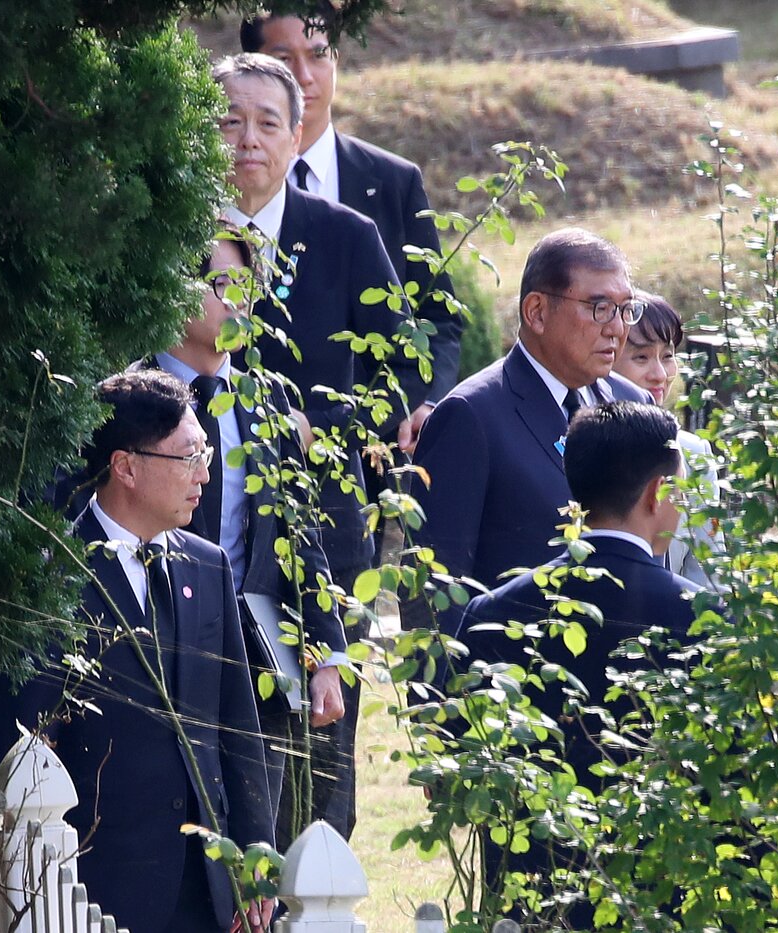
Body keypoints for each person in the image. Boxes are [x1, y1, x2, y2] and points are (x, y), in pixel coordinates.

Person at [213, 52, 414, 838]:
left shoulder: (344, 235)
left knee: (318, 722)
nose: (248, 139)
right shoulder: (175, 239)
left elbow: (399, 368)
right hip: (198, 508)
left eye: (268, 122)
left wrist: (324, 434)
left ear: (297, 137)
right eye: (230, 120)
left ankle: (317, 878)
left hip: (320, 521)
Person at [17, 369, 274, 933]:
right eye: (189, 456)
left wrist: (255, 849)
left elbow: (237, 722)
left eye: (205, 452)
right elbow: (34, 737)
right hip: (96, 884)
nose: (205, 474)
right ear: (126, 467)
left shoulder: (208, 564)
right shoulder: (56, 576)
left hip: (204, 881)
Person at [456, 400, 705, 925]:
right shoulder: (700, 616)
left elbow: (464, 766)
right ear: (657, 492)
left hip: (529, 898)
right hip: (659, 901)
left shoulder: (492, 613)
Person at [144, 225, 346, 841]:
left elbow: (300, 535)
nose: (235, 300)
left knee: (262, 842)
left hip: (260, 654)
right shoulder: (131, 396)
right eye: (218, 284)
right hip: (160, 648)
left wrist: (326, 655)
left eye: (244, 284)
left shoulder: (266, 398)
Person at [406, 227, 652, 634]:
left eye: (626, 309)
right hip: (514, 664)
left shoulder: (632, 405)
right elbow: (432, 593)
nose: (617, 328)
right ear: (536, 312)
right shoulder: (470, 416)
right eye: (600, 308)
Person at [239, 13, 461, 456]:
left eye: (318, 55)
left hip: (366, 449)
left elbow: (434, 315)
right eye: (283, 58)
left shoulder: (392, 182)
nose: (304, 76)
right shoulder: (212, 208)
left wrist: (424, 401)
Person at [612, 291, 724, 587]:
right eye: (641, 357)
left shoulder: (695, 454)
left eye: (668, 356)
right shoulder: (580, 450)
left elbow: (710, 578)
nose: (660, 374)